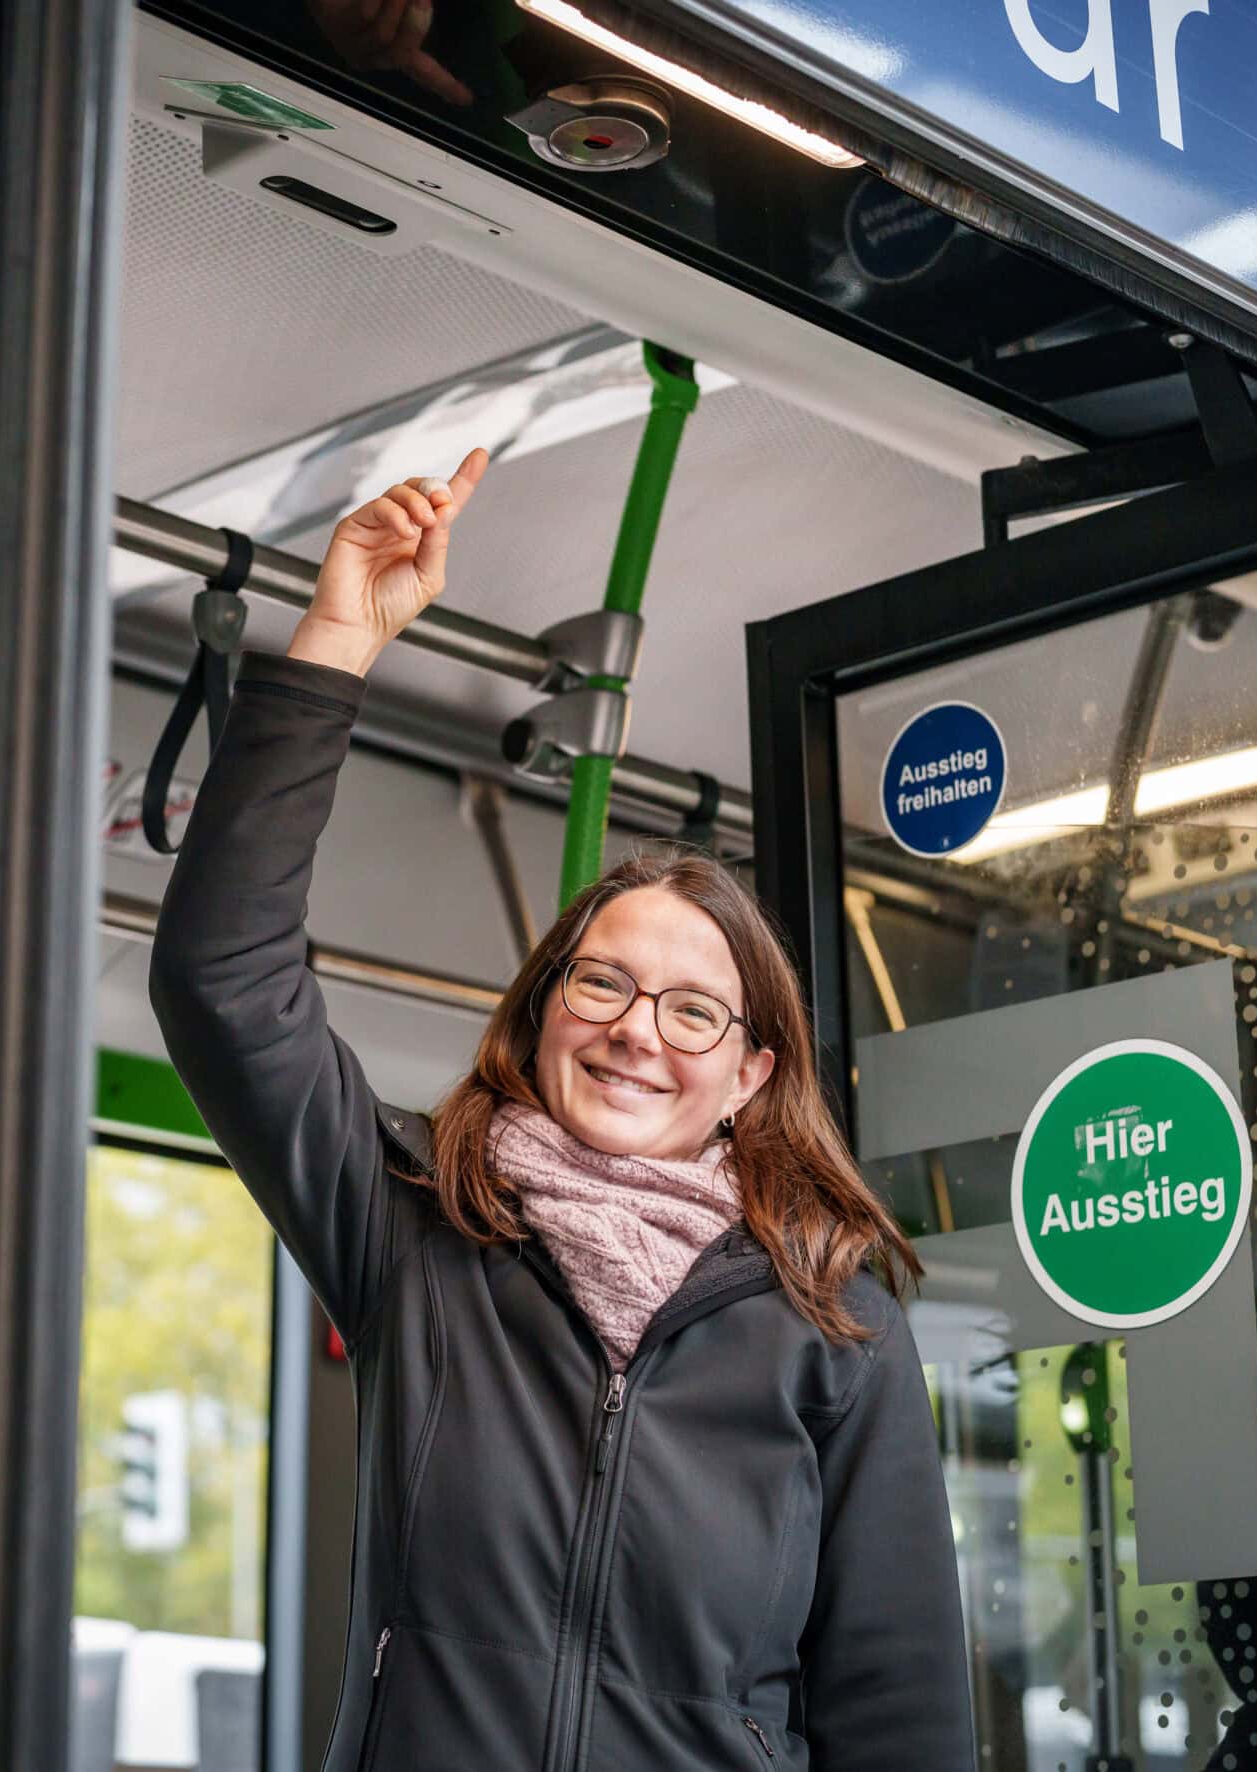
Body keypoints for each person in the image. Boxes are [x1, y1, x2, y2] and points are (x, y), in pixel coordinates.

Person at [150, 450, 975, 1770]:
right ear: (544, 1012)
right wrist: (338, 637)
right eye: (602, 982)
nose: (638, 1029)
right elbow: (220, 984)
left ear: (750, 1072)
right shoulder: (418, 1224)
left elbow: (902, 1716)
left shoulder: (837, 1319)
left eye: (694, 1009)